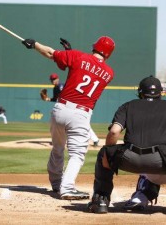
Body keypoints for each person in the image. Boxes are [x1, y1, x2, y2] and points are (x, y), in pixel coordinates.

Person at [87, 76, 166, 218]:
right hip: (160, 160)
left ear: (140, 92)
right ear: (161, 92)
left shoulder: (128, 105)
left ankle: (100, 200)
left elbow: (114, 131)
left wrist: (109, 152)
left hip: (128, 158)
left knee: (103, 154)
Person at [22, 36, 115, 200]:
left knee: (57, 148)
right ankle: (67, 187)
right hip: (81, 113)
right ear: (108, 54)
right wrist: (69, 53)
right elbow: (88, 69)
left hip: (60, 109)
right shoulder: (109, 73)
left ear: (95, 47)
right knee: (77, 154)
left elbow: (51, 53)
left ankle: (57, 183)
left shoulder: (77, 56)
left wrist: (35, 44)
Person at [43, 72, 99, 147]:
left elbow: (65, 96)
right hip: (65, 107)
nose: (53, 81)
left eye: (54, 79)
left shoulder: (60, 86)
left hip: (73, 107)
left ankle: (95, 139)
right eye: (52, 79)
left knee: (83, 124)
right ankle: (59, 140)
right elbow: (56, 99)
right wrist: (47, 99)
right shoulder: (55, 88)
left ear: (58, 79)